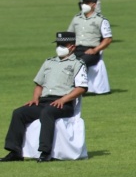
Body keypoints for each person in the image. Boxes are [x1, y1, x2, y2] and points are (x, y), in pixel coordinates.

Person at [2, 32, 88, 163]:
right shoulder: (49, 62)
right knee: (19, 113)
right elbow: (39, 84)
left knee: (47, 113)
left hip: (64, 103)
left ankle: (45, 152)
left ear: (72, 46)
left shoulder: (78, 64)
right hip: (44, 101)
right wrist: (35, 98)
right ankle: (15, 151)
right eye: (58, 44)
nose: (59, 47)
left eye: (63, 45)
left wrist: (63, 99)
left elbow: (81, 88)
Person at [67, 0, 112, 68]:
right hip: (76, 50)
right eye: (83, 2)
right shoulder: (76, 18)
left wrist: (95, 50)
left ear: (94, 5)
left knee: (78, 65)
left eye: (87, 3)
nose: (84, 5)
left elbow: (108, 39)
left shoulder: (101, 20)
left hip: (91, 51)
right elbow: (69, 35)